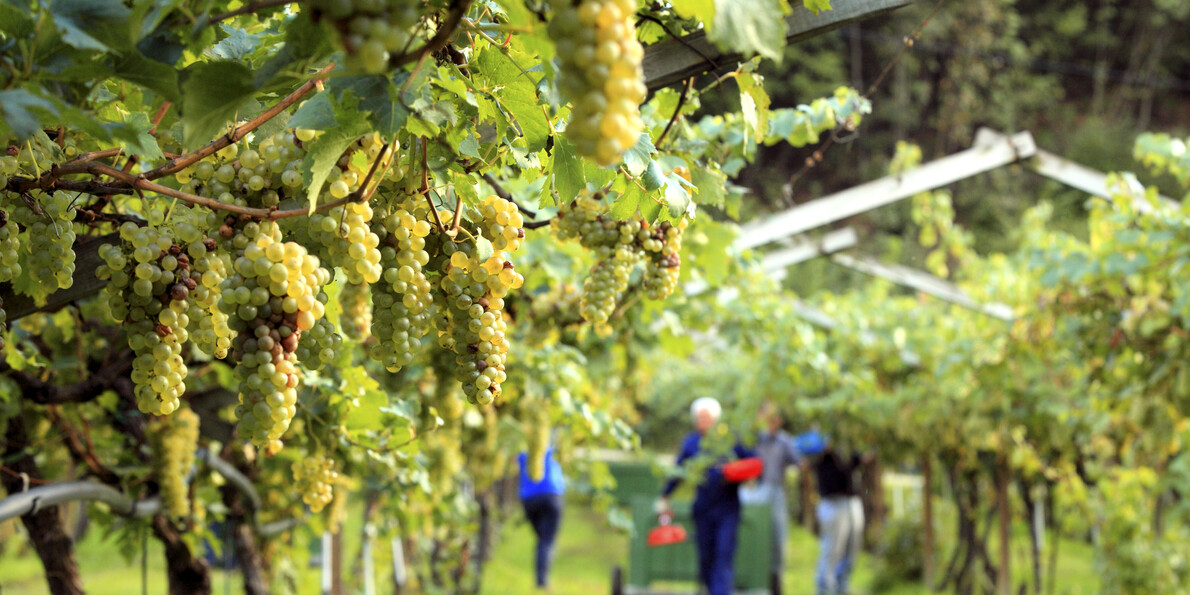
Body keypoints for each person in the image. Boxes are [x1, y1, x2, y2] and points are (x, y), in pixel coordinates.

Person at [660, 397, 756, 595]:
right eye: (700, 418)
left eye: (707, 418)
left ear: (716, 419)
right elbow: (679, 472)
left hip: (728, 509)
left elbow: (753, 463)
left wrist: (740, 473)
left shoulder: (730, 440)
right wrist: (665, 496)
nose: (703, 422)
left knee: (724, 555)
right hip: (703, 509)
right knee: (706, 557)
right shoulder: (691, 443)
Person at [741, 402, 802, 594]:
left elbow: (800, 462)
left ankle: (774, 582)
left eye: (774, 417)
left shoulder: (785, 441)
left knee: (776, 538)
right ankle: (745, 579)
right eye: (767, 416)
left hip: (775, 492)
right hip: (752, 491)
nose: (771, 421)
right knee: (749, 533)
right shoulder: (752, 439)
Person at [806, 434, 867, 595]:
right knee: (832, 549)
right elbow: (806, 455)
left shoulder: (846, 440)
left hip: (851, 501)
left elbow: (854, 463)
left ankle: (841, 586)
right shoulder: (818, 443)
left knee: (852, 547)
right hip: (832, 502)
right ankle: (824, 588)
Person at [517, 446, 565, 590]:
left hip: (529, 500)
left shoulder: (522, 451)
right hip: (551, 496)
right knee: (546, 541)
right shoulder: (548, 445)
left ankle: (541, 580)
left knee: (542, 540)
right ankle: (542, 581)